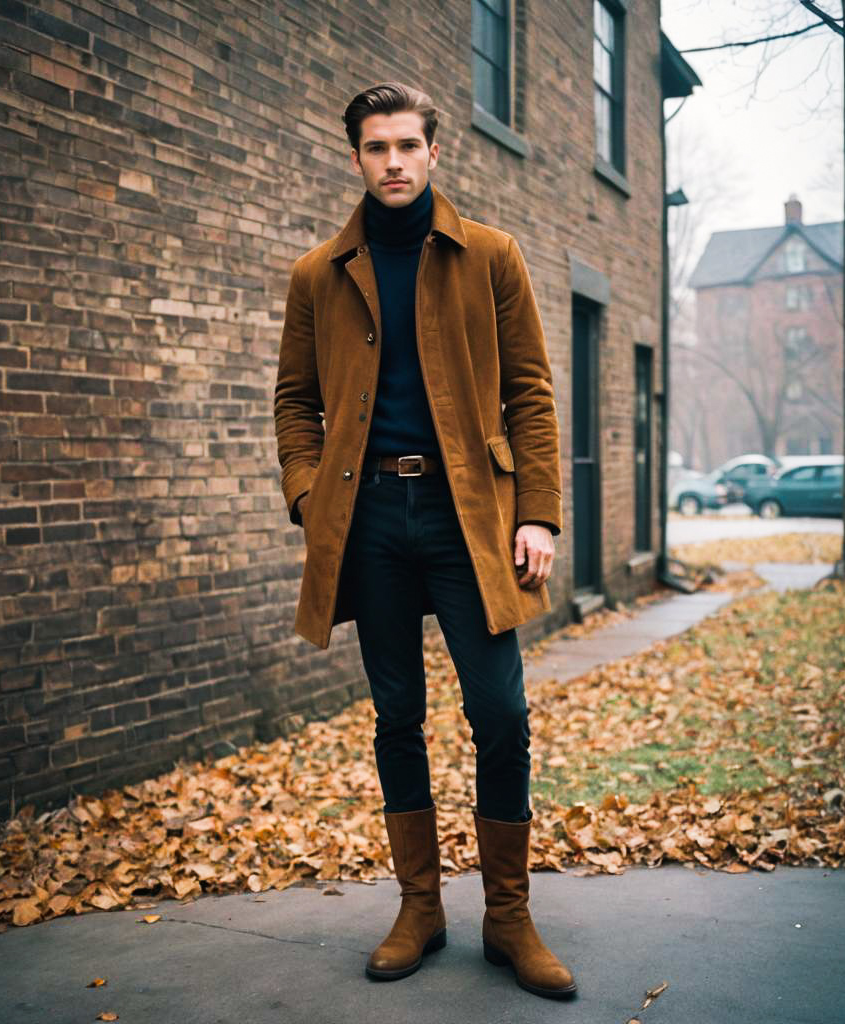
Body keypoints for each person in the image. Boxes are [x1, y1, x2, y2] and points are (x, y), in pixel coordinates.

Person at [273, 82, 575, 1000]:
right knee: (396, 715)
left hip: (469, 520)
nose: (394, 161)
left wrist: (538, 513)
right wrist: (307, 494)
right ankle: (420, 907)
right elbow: (295, 401)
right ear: (356, 157)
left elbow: (530, 393)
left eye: (408, 144)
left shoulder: (490, 256)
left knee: (502, 714)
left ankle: (509, 917)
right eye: (376, 147)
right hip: (368, 522)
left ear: (435, 153)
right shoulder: (317, 272)